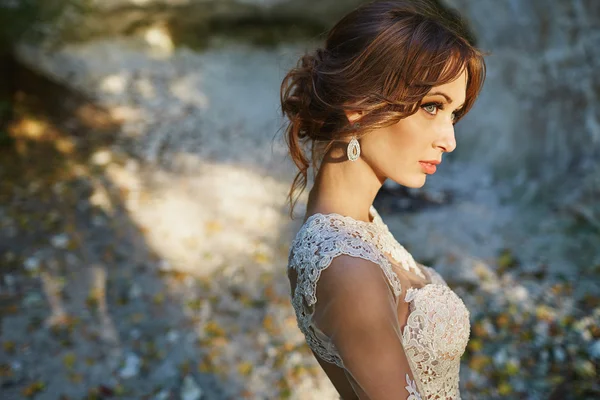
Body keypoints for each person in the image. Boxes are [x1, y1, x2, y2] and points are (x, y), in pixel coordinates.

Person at [280, 0, 486, 398]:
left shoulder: (358, 223)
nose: (449, 140)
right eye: (431, 107)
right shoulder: (346, 267)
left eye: (453, 114)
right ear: (359, 104)